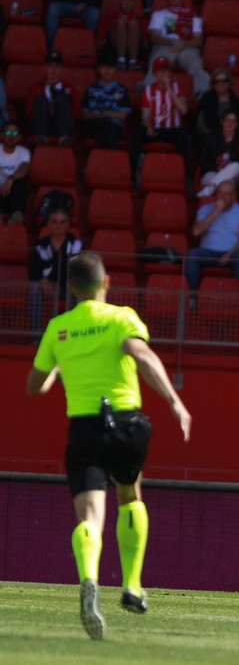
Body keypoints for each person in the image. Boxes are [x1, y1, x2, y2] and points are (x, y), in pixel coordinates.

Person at [26, 251, 191, 637]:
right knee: (130, 497)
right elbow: (142, 354)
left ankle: (89, 580)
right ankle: (132, 585)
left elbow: (34, 386)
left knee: (89, 519)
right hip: (126, 424)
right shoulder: (122, 317)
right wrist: (174, 401)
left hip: (84, 428)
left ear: (70, 288)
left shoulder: (59, 328)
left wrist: (60, 367)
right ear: (107, 283)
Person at [127, 55, 188, 173]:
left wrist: (170, 90)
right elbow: (145, 115)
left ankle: (185, 177)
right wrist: (148, 126)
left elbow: (184, 110)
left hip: (173, 130)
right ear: (155, 74)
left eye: (166, 70)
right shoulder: (148, 90)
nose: (163, 74)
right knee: (136, 133)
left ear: (170, 72)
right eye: (160, 71)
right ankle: (132, 175)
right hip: (155, 129)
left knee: (183, 136)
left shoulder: (178, 88)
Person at [185, 179, 239, 287]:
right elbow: (196, 232)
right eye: (220, 193)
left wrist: (229, 254)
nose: (222, 197)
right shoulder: (206, 209)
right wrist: (215, 212)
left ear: (234, 195)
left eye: (226, 194)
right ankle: (192, 297)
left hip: (230, 253)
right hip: (207, 253)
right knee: (193, 254)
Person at [147, 0, 208, 94]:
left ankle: (203, 93)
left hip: (187, 48)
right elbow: (153, 37)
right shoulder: (159, 14)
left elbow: (198, 40)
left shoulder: (193, 17)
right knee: (157, 65)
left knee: (196, 67)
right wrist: (171, 42)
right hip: (165, 46)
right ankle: (148, 90)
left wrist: (183, 44)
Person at [28, 209, 83, 332]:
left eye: (62, 222)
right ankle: (35, 334)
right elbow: (34, 268)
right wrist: (43, 281)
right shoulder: (41, 245)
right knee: (34, 288)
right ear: (49, 224)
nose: (58, 225)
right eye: (54, 221)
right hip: (47, 288)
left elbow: (78, 269)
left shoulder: (76, 245)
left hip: (69, 287)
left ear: (67, 225)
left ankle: (70, 334)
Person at [196, 108, 239, 198]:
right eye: (227, 120)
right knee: (228, 185)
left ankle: (211, 188)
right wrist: (216, 168)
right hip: (213, 173)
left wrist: (227, 169)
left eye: (233, 121)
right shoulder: (211, 138)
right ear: (222, 122)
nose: (230, 123)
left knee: (236, 166)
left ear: (237, 124)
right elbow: (201, 159)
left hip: (234, 176)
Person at [31, 53, 77, 146]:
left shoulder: (70, 88)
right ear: (45, 67)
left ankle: (64, 138)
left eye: (57, 66)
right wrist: (47, 109)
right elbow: (28, 111)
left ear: (61, 68)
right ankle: (41, 137)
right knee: (40, 98)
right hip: (42, 123)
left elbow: (77, 112)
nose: (53, 70)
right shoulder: (35, 87)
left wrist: (58, 108)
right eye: (50, 66)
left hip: (63, 123)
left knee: (62, 98)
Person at [103, 0, 145, 70]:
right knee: (121, 22)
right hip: (114, 52)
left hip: (136, 52)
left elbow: (145, 44)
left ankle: (133, 61)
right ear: (119, 0)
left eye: (131, 0)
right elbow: (100, 43)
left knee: (133, 23)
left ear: (135, 1)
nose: (128, 3)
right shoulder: (109, 17)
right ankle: (120, 60)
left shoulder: (141, 19)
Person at [0, 124, 30, 223]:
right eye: (8, 133)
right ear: (3, 135)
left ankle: (16, 215)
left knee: (21, 181)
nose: (11, 136)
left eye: (14, 133)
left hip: (13, 195)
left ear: (19, 137)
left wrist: (10, 179)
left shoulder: (23, 152)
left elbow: (24, 168)